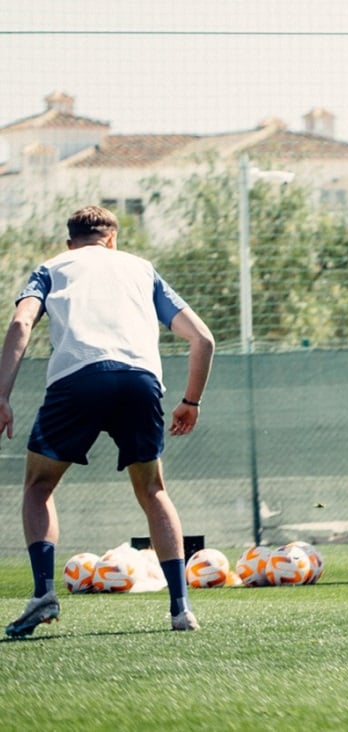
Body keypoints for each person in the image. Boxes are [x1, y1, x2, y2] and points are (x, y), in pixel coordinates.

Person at [1, 205, 215, 637]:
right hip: (139, 380)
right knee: (153, 490)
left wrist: (1, 394)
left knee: (39, 486)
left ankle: (44, 593)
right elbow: (203, 338)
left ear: (70, 243)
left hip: (76, 379)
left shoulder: (52, 268)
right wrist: (190, 400)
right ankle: (181, 608)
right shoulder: (142, 269)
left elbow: (22, 322)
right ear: (112, 239)